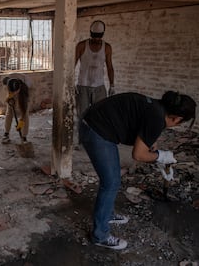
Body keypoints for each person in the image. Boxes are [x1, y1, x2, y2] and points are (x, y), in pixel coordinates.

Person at [79, 91, 196, 250]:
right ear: (177, 119)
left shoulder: (157, 107)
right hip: (96, 130)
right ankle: (100, 236)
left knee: (111, 180)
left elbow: (146, 135)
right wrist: (160, 156)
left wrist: (155, 152)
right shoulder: (156, 118)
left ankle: (108, 215)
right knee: (111, 182)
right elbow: (138, 155)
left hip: (95, 122)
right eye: (179, 124)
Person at [75, 20, 114, 119]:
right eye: (95, 36)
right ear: (91, 34)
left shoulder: (107, 47)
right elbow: (72, 65)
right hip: (83, 86)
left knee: (101, 114)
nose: (97, 39)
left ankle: (96, 133)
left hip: (99, 86)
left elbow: (110, 67)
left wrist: (112, 85)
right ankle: (83, 132)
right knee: (82, 115)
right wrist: (70, 83)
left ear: (102, 35)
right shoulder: (82, 45)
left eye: (99, 37)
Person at [1, 73, 32, 144]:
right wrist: (9, 97)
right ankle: (6, 134)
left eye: (15, 93)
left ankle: (24, 137)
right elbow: (7, 94)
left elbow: (24, 109)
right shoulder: (7, 81)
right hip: (13, 91)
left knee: (25, 114)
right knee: (9, 112)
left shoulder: (25, 87)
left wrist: (21, 122)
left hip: (22, 92)